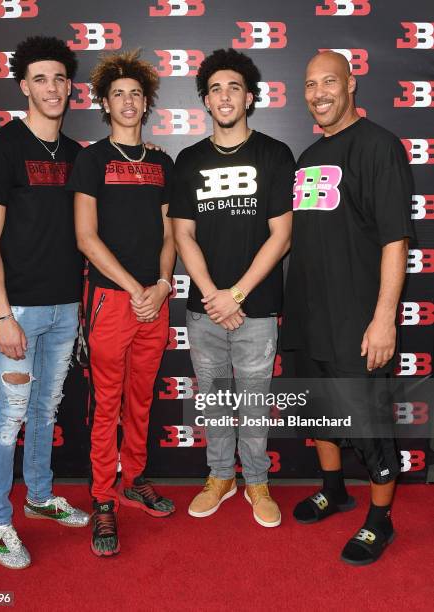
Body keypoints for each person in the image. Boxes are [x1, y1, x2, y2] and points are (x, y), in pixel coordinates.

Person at [281, 51, 414, 565]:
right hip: (310, 315)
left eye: (329, 82)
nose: (319, 93)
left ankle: (381, 519)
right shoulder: (309, 155)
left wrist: (384, 319)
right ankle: (334, 489)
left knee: (370, 422)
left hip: (357, 321)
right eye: (310, 84)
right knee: (318, 412)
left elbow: (394, 241)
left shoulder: (379, 146)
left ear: (351, 84)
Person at [0, 36, 89, 570]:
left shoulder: (76, 156)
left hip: (65, 309)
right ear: (24, 86)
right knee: (11, 416)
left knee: (45, 410)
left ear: (71, 88)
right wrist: (1, 314)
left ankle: (39, 497)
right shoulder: (1, 149)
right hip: (16, 311)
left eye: (60, 78)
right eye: (40, 78)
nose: (52, 88)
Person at [169, 48, 294, 527]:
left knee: (254, 401)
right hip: (205, 310)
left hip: (255, 309)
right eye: (216, 88)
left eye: (234, 87)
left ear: (250, 98)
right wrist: (213, 296)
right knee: (216, 399)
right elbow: (183, 234)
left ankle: (257, 482)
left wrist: (236, 295)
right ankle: (220, 477)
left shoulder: (274, 154)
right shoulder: (189, 159)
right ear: (204, 99)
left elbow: (282, 235)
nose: (225, 96)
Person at [68, 50, 176, 558]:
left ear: (146, 102)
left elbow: (170, 232)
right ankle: (102, 497)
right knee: (105, 403)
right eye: (119, 95)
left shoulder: (161, 161)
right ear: (105, 104)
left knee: (141, 399)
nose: (128, 101)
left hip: (155, 300)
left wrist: (160, 283)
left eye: (136, 93)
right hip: (112, 302)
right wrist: (135, 290)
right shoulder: (91, 160)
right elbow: (86, 238)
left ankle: (133, 478)